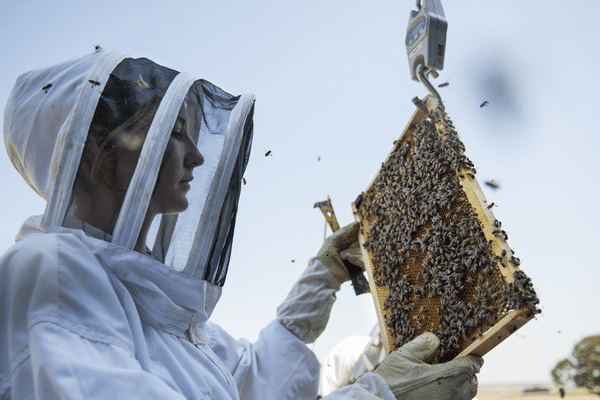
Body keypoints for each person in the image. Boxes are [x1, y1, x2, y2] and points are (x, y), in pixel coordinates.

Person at [0, 49, 483, 399]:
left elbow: (247, 377)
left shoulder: (144, 297)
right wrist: (378, 397)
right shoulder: (53, 272)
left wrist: (323, 276)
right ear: (98, 153)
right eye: (174, 134)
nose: (194, 156)